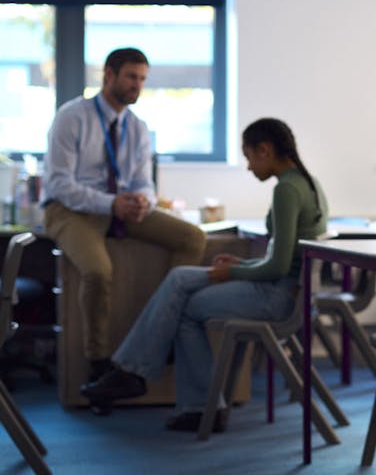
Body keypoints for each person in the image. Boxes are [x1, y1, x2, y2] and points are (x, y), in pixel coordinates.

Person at [81, 117, 329, 431]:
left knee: (182, 303)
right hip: (287, 291)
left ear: (265, 150)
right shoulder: (308, 183)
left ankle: (166, 390)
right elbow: (284, 259)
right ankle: (137, 374)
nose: (249, 166)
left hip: (278, 298)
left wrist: (234, 272)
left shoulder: (286, 191)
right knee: (180, 278)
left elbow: (279, 267)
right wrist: (240, 265)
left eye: (248, 156)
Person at [42, 48, 207, 390]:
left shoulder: (138, 127)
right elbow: (60, 184)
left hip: (121, 207)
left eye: (143, 79)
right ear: (108, 76)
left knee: (192, 238)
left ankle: (164, 332)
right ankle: (97, 363)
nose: (137, 86)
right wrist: (111, 203)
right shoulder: (73, 116)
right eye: (131, 77)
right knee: (98, 271)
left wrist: (143, 200)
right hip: (71, 210)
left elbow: (143, 180)